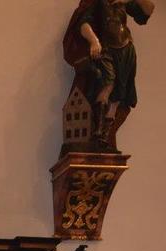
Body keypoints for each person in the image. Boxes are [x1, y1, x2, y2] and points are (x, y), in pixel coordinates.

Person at [63, 0, 154, 149]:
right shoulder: (98, 2)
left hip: (126, 50)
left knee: (119, 95)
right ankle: (98, 129)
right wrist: (93, 40)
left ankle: (106, 134)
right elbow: (83, 24)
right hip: (107, 50)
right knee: (107, 84)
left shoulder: (123, 3)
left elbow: (149, 9)